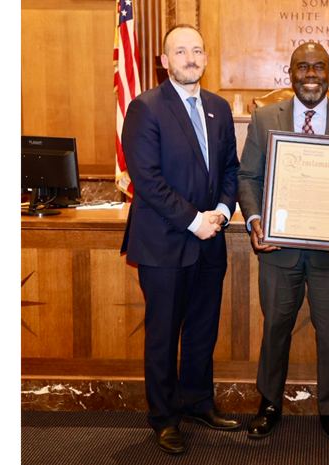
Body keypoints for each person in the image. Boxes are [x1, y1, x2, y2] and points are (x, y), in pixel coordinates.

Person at [236, 42, 329, 441]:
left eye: (319, 67)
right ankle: (268, 404)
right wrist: (254, 220)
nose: (311, 74)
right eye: (303, 67)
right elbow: (247, 178)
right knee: (275, 329)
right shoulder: (265, 119)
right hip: (278, 250)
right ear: (290, 73)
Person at [120, 24, 241, 454]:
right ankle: (165, 417)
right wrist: (195, 220)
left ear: (206, 58)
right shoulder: (145, 108)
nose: (191, 58)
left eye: (197, 50)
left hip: (212, 239)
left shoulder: (219, 108)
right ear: (164, 60)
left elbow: (231, 169)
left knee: (202, 330)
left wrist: (224, 212)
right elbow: (147, 182)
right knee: (163, 333)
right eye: (181, 51)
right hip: (165, 242)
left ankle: (198, 401)